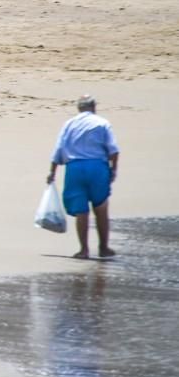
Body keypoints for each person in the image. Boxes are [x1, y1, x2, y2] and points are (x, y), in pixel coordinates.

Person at [47, 95, 119, 259]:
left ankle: (84, 250)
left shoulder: (69, 124)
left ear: (79, 108)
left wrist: (52, 172)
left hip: (75, 168)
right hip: (97, 167)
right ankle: (103, 248)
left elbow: (58, 149)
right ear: (94, 107)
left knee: (81, 212)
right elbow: (113, 150)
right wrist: (113, 170)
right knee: (101, 208)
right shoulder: (102, 123)